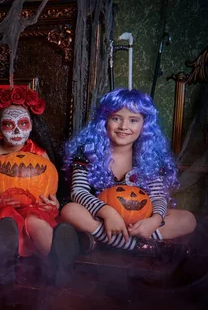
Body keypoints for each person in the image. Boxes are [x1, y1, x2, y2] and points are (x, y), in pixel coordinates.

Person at [61, 88, 196, 259]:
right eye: (116, 118)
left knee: (188, 219)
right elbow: (78, 191)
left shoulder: (149, 156)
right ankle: (139, 246)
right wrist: (108, 212)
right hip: (102, 217)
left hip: (139, 220)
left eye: (133, 120)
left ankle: (109, 241)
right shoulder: (88, 151)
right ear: (104, 121)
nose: (124, 127)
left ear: (144, 125)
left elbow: (157, 197)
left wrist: (154, 221)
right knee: (70, 210)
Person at [0, 86, 78, 283]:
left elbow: (52, 190)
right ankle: (5, 266)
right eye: (8, 125)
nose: (16, 131)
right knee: (7, 219)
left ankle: (58, 265)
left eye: (23, 123)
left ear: (32, 125)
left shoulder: (39, 153)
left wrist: (55, 204)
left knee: (36, 220)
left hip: (34, 210)